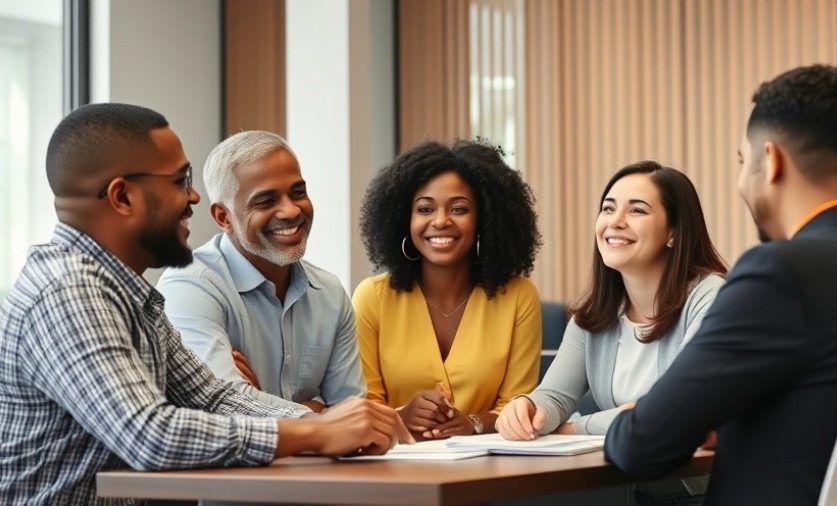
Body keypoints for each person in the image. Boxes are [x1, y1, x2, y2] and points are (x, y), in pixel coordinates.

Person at [0, 103, 409, 504]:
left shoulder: (129, 292)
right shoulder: (67, 291)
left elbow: (213, 398)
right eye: (179, 181)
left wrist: (330, 421)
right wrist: (317, 432)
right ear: (122, 197)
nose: (193, 196)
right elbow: (150, 436)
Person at [603, 65, 837, 505]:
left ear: (772, 160)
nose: (742, 180)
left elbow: (643, 446)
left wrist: (639, 419)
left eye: (744, 162)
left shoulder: (779, 274)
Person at [497, 161, 727, 505]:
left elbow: (669, 412)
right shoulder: (596, 313)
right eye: (608, 208)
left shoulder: (709, 297)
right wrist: (528, 409)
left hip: (699, 493)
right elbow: (555, 397)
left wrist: (575, 428)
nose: (615, 221)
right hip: (624, 488)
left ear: (673, 232)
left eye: (637, 210)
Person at [156, 130, 365, 413]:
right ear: (224, 217)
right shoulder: (189, 286)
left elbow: (354, 413)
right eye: (265, 201)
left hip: (316, 459)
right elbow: (221, 406)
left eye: (298, 193)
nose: (291, 211)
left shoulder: (329, 293)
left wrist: (258, 402)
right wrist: (315, 413)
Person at [353, 139, 543, 439]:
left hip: (488, 469)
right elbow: (363, 403)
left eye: (459, 208)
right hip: (393, 468)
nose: (441, 221)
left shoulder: (519, 297)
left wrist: (473, 422)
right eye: (425, 209)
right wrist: (402, 414)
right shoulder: (372, 298)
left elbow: (517, 405)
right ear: (405, 219)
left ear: (485, 218)